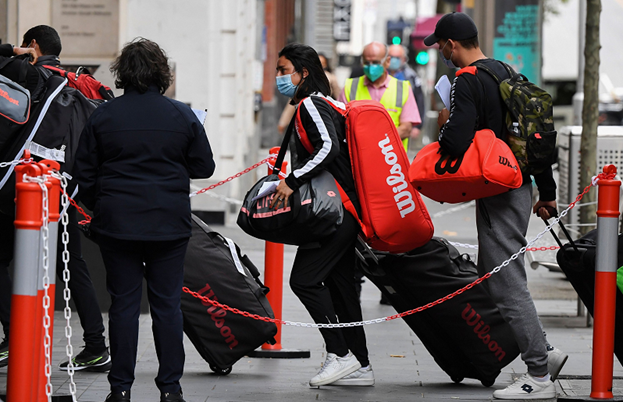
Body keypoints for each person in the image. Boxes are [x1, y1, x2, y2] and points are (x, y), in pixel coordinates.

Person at [424, 12, 567, 400]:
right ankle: (546, 353)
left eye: (440, 46)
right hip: (518, 185)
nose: (441, 52)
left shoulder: (466, 80)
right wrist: (547, 192)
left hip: (497, 189)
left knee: (505, 280)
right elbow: (536, 136)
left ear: (452, 44)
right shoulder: (505, 72)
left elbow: (454, 143)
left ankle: (538, 375)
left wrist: (445, 119)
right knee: (495, 271)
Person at [74, 38, 215, 402]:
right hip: (168, 223)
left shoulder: (103, 115)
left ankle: (120, 389)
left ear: (123, 73)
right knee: (167, 305)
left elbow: (83, 175)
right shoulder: (181, 114)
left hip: (117, 223)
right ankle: (170, 389)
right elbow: (204, 166)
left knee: (123, 305)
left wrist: (101, 204)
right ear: (160, 73)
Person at [0, 25, 111, 372]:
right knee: (72, 264)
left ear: (32, 45)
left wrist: (12, 52)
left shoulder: (30, 75)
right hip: (64, 189)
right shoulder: (78, 82)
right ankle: (95, 344)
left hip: (23, 186)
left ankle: (13, 337)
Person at [272, 43, 374, 387]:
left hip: (334, 213)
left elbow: (328, 146)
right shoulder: (329, 103)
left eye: (284, 70)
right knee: (343, 289)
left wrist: (293, 179)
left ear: (303, 73)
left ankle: (339, 354)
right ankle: (360, 366)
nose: (279, 76)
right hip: (346, 211)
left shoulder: (313, 103)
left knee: (303, 280)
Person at [338, 41, 421, 152]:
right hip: (357, 159)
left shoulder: (403, 88)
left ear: (387, 62)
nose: (371, 67)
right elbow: (340, 123)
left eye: (376, 62)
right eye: (367, 62)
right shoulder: (350, 86)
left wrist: (376, 141)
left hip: (393, 162)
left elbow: (406, 129)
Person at [277, 53, 341, 135]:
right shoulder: (304, 79)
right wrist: (283, 122)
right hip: (305, 115)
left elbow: (338, 97)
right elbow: (292, 104)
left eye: (322, 64)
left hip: (324, 113)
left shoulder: (331, 78)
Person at [387, 44, 426, 139]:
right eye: (391, 57)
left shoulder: (411, 77)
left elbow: (419, 100)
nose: (393, 60)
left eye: (397, 57)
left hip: (403, 126)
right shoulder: (380, 75)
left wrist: (417, 126)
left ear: (404, 59)